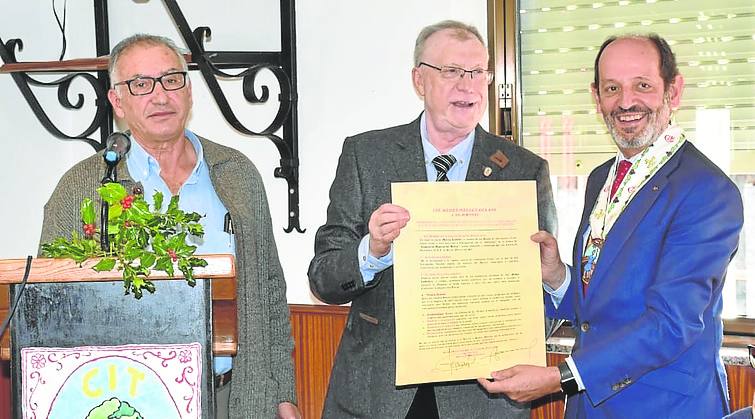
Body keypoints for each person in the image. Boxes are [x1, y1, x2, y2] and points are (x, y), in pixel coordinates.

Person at [477, 33, 744, 418]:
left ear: (674, 89)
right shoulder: (601, 178)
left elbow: (671, 325)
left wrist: (560, 378)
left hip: (665, 408)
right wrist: (556, 277)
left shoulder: (707, 191)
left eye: (643, 85)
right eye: (612, 88)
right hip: (591, 405)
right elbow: (601, 309)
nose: (626, 102)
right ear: (596, 96)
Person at [38, 34, 300, 419]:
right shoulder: (82, 187)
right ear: (117, 102)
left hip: (235, 396)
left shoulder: (237, 174)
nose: (160, 96)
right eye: (140, 84)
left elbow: (269, 290)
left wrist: (283, 392)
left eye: (171, 79)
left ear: (189, 91)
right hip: (128, 400)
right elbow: (48, 309)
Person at [308, 20, 557, 418]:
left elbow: (540, 296)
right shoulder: (365, 155)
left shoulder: (523, 171)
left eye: (478, 72)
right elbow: (323, 278)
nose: (468, 85)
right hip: (378, 395)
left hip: (483, 400)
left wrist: (552, 277)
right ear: (419, 80)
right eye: (452, 71)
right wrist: (371, 251)